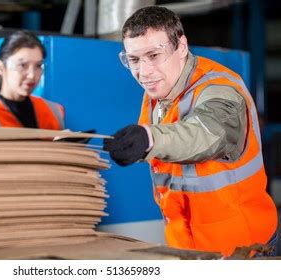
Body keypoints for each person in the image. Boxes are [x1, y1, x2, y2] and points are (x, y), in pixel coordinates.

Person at [103, 6, 278, 256]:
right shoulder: (158, 91)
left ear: (181, 46)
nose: (143, 71)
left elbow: (204, 133)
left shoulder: (221, 90)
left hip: (241, 250)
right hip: (186, 247)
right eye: (134, 60)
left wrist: (151, 139)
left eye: (154, 55)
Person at [0, 30, 65, 130]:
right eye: (22, 65)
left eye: (38, 65)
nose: (32, 75)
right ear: (1, 68)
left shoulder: (54, 111)